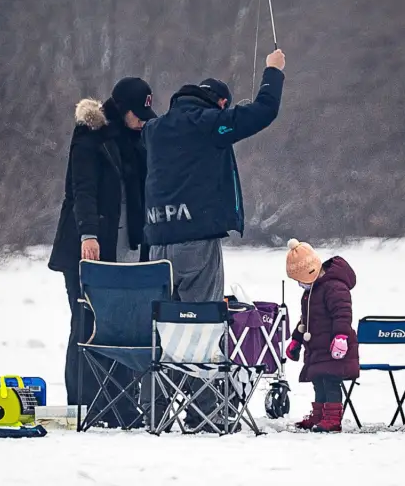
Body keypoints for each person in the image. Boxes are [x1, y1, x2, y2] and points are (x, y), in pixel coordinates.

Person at [140, 49, 285, 430]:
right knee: (202, 326)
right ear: (220, 103)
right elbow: (263, 112)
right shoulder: (209, 123)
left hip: (157, 245)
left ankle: (154, 407)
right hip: (196, 243)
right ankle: (206, 413)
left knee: (165, 329)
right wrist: (273, 72)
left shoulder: (155, 130)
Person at [47, 77, 157, 426]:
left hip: (126, 249)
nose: (142, 120)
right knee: (86, 323)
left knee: (123, 326)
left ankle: (122, 405)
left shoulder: (139, 140)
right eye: (137, 114)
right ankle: (85, 405)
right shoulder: (90, 135)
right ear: (122, 110)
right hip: (87, 248)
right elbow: (83, 188)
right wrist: (88, 234)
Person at [284, 239, 360, 433]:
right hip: (317, 346)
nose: (300, 285)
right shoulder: (311, 292)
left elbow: (343, 313)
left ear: (311, 272)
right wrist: (296, 340)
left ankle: (333, 418)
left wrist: (341, 337)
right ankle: (319, 414)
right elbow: (305, 320)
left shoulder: (334, 287)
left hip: (334, 346)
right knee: (319, 380)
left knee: (331, 380)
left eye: (300, 280)